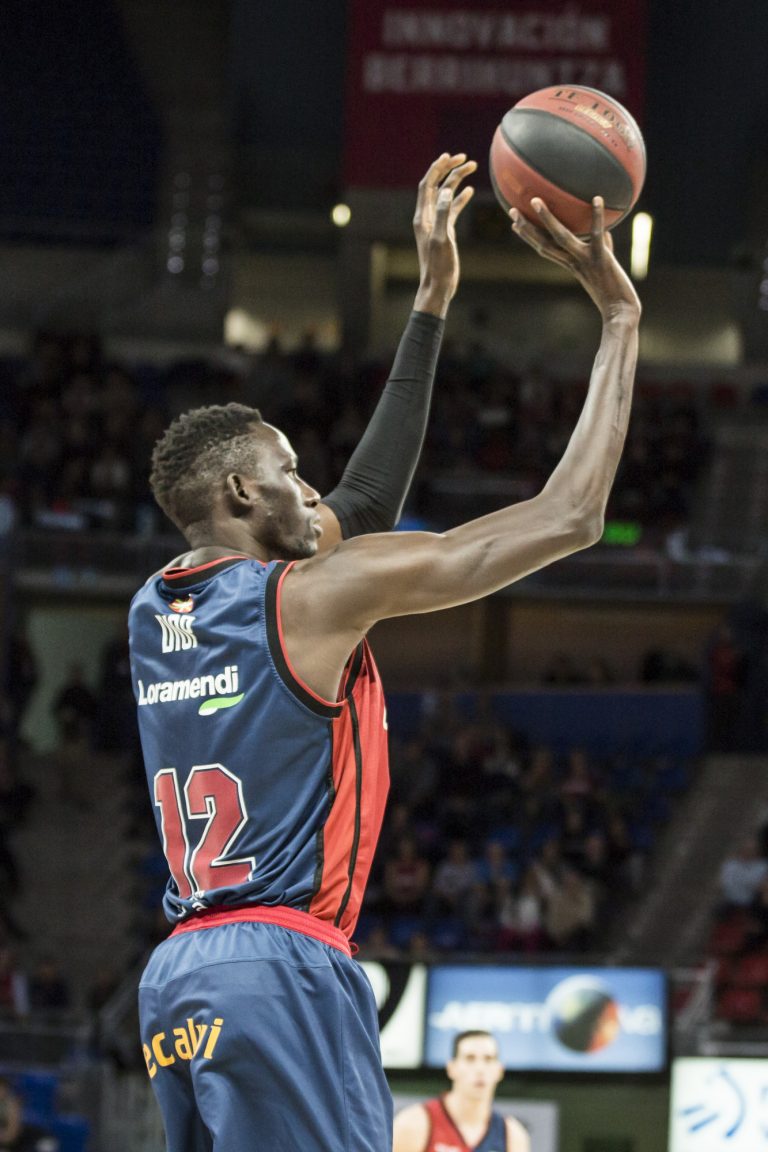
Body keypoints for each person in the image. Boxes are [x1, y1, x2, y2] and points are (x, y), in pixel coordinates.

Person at [129, 173, 640, 1152]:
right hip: (283, 965)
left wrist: (430, 302)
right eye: (290, 471)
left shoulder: (155, 610)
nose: (313, 488)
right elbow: (570, 516)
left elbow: (358, 508)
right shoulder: (310, 599)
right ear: (244, 489)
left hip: (180, 980)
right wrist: (619, 320)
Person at [393, 1030, 530, 1152]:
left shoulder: (512, 1134)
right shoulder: (413, 1124)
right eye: (470, 1058)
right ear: (451, 1068)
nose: (480, 1069)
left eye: (488, 1059)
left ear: (499, 1070)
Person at [0, 1077, 58, 1152]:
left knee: (47, 1143)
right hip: (8, 1141)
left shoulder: (11, 1103)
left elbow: (11, 1133)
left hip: (23, 1139)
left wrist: (5, 1137)